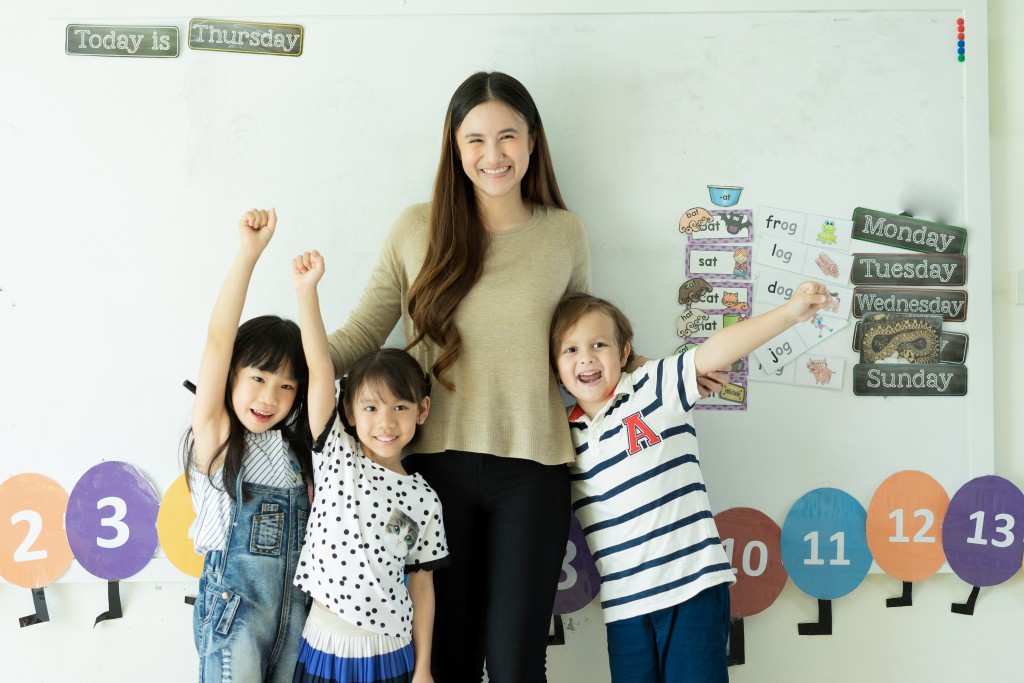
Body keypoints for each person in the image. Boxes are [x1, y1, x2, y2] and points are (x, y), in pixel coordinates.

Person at [326, 71, 589, 682]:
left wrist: (675, 373)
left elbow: (583, 352)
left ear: (531, 141)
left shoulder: (562, 232)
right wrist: (272, 368)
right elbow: (363, 336)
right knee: (445, 662)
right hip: (429, 471)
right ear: (454, 145)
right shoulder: (416, 228)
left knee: (517, 666)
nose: (492, 155)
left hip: (533, 471)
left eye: (507, 137)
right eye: (475, 139)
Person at [549, 283, 832, 683]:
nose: (587, 359)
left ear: (625, 352)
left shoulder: (652, 387)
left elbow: (715, 350)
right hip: (625, 610)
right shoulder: (561, 433)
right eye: (570, 350)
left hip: (693, 588)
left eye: (599, 344)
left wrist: (790, 311)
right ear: (554, 367)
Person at [292, 249, 448, 683]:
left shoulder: (424, 499)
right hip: (325, 642)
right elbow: (320, 370)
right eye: (372, 407)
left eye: (400, 406)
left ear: (422, 410)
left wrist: (422, 668)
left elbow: (422, 585)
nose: (386, 422)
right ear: (349, 411)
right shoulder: (337, 456)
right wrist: (307, 293)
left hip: (392, 651)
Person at [184, 208, 312, 683]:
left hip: (298, 620)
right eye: (258, 377)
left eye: (286, 386)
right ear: (233, 376)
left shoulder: (299, 456)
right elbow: (219, 341)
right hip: (234, 620)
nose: (269, 397)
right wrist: (248, 254)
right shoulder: (218, 438)